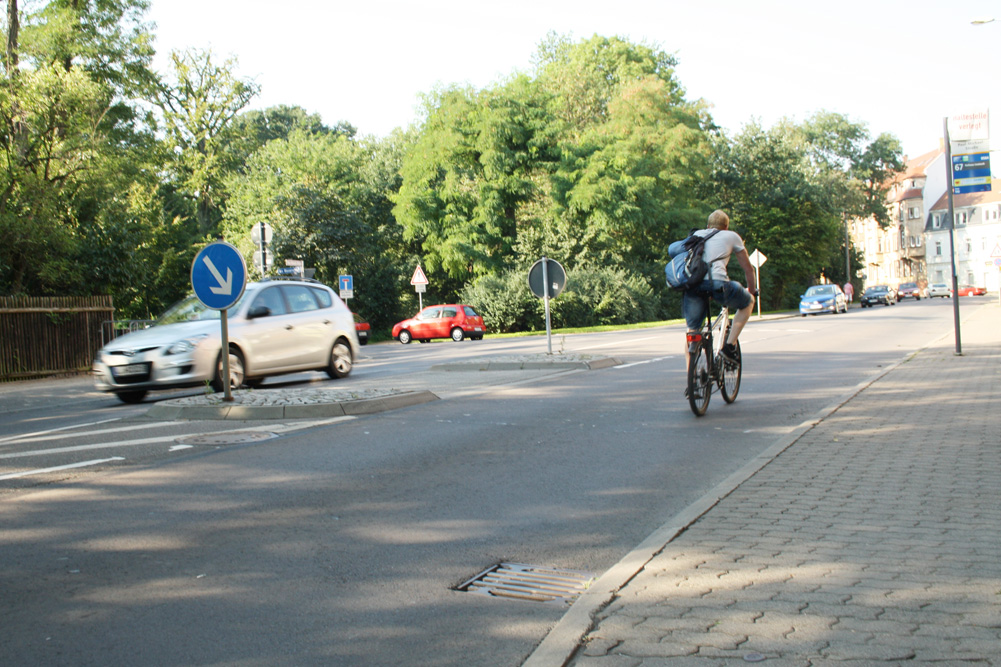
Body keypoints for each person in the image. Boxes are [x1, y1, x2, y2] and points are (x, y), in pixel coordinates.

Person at [677, 210, 757, 365]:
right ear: (726, 227)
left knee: (692, 331)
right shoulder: (731, 236)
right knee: (748, 302)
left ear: (708, 226)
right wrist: (752, 290)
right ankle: (729, 347)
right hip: (719, 284)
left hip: (694, 285)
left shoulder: (697, 235)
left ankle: (691, 376)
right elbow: (748, 269)